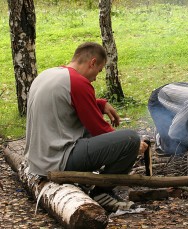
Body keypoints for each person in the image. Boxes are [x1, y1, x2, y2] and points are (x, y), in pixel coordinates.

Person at [24, 42, 148, 211]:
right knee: (130, 138)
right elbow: (98, 129)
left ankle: (93, 186)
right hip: (58, 160)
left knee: (109, 136)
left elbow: (67, 105)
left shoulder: (49, 75)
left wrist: (100, 104)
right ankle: (102, 192)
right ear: (92, 62)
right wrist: (133, 146)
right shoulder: (78, 83)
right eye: (99, 70)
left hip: (38, 160)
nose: (96, 77)